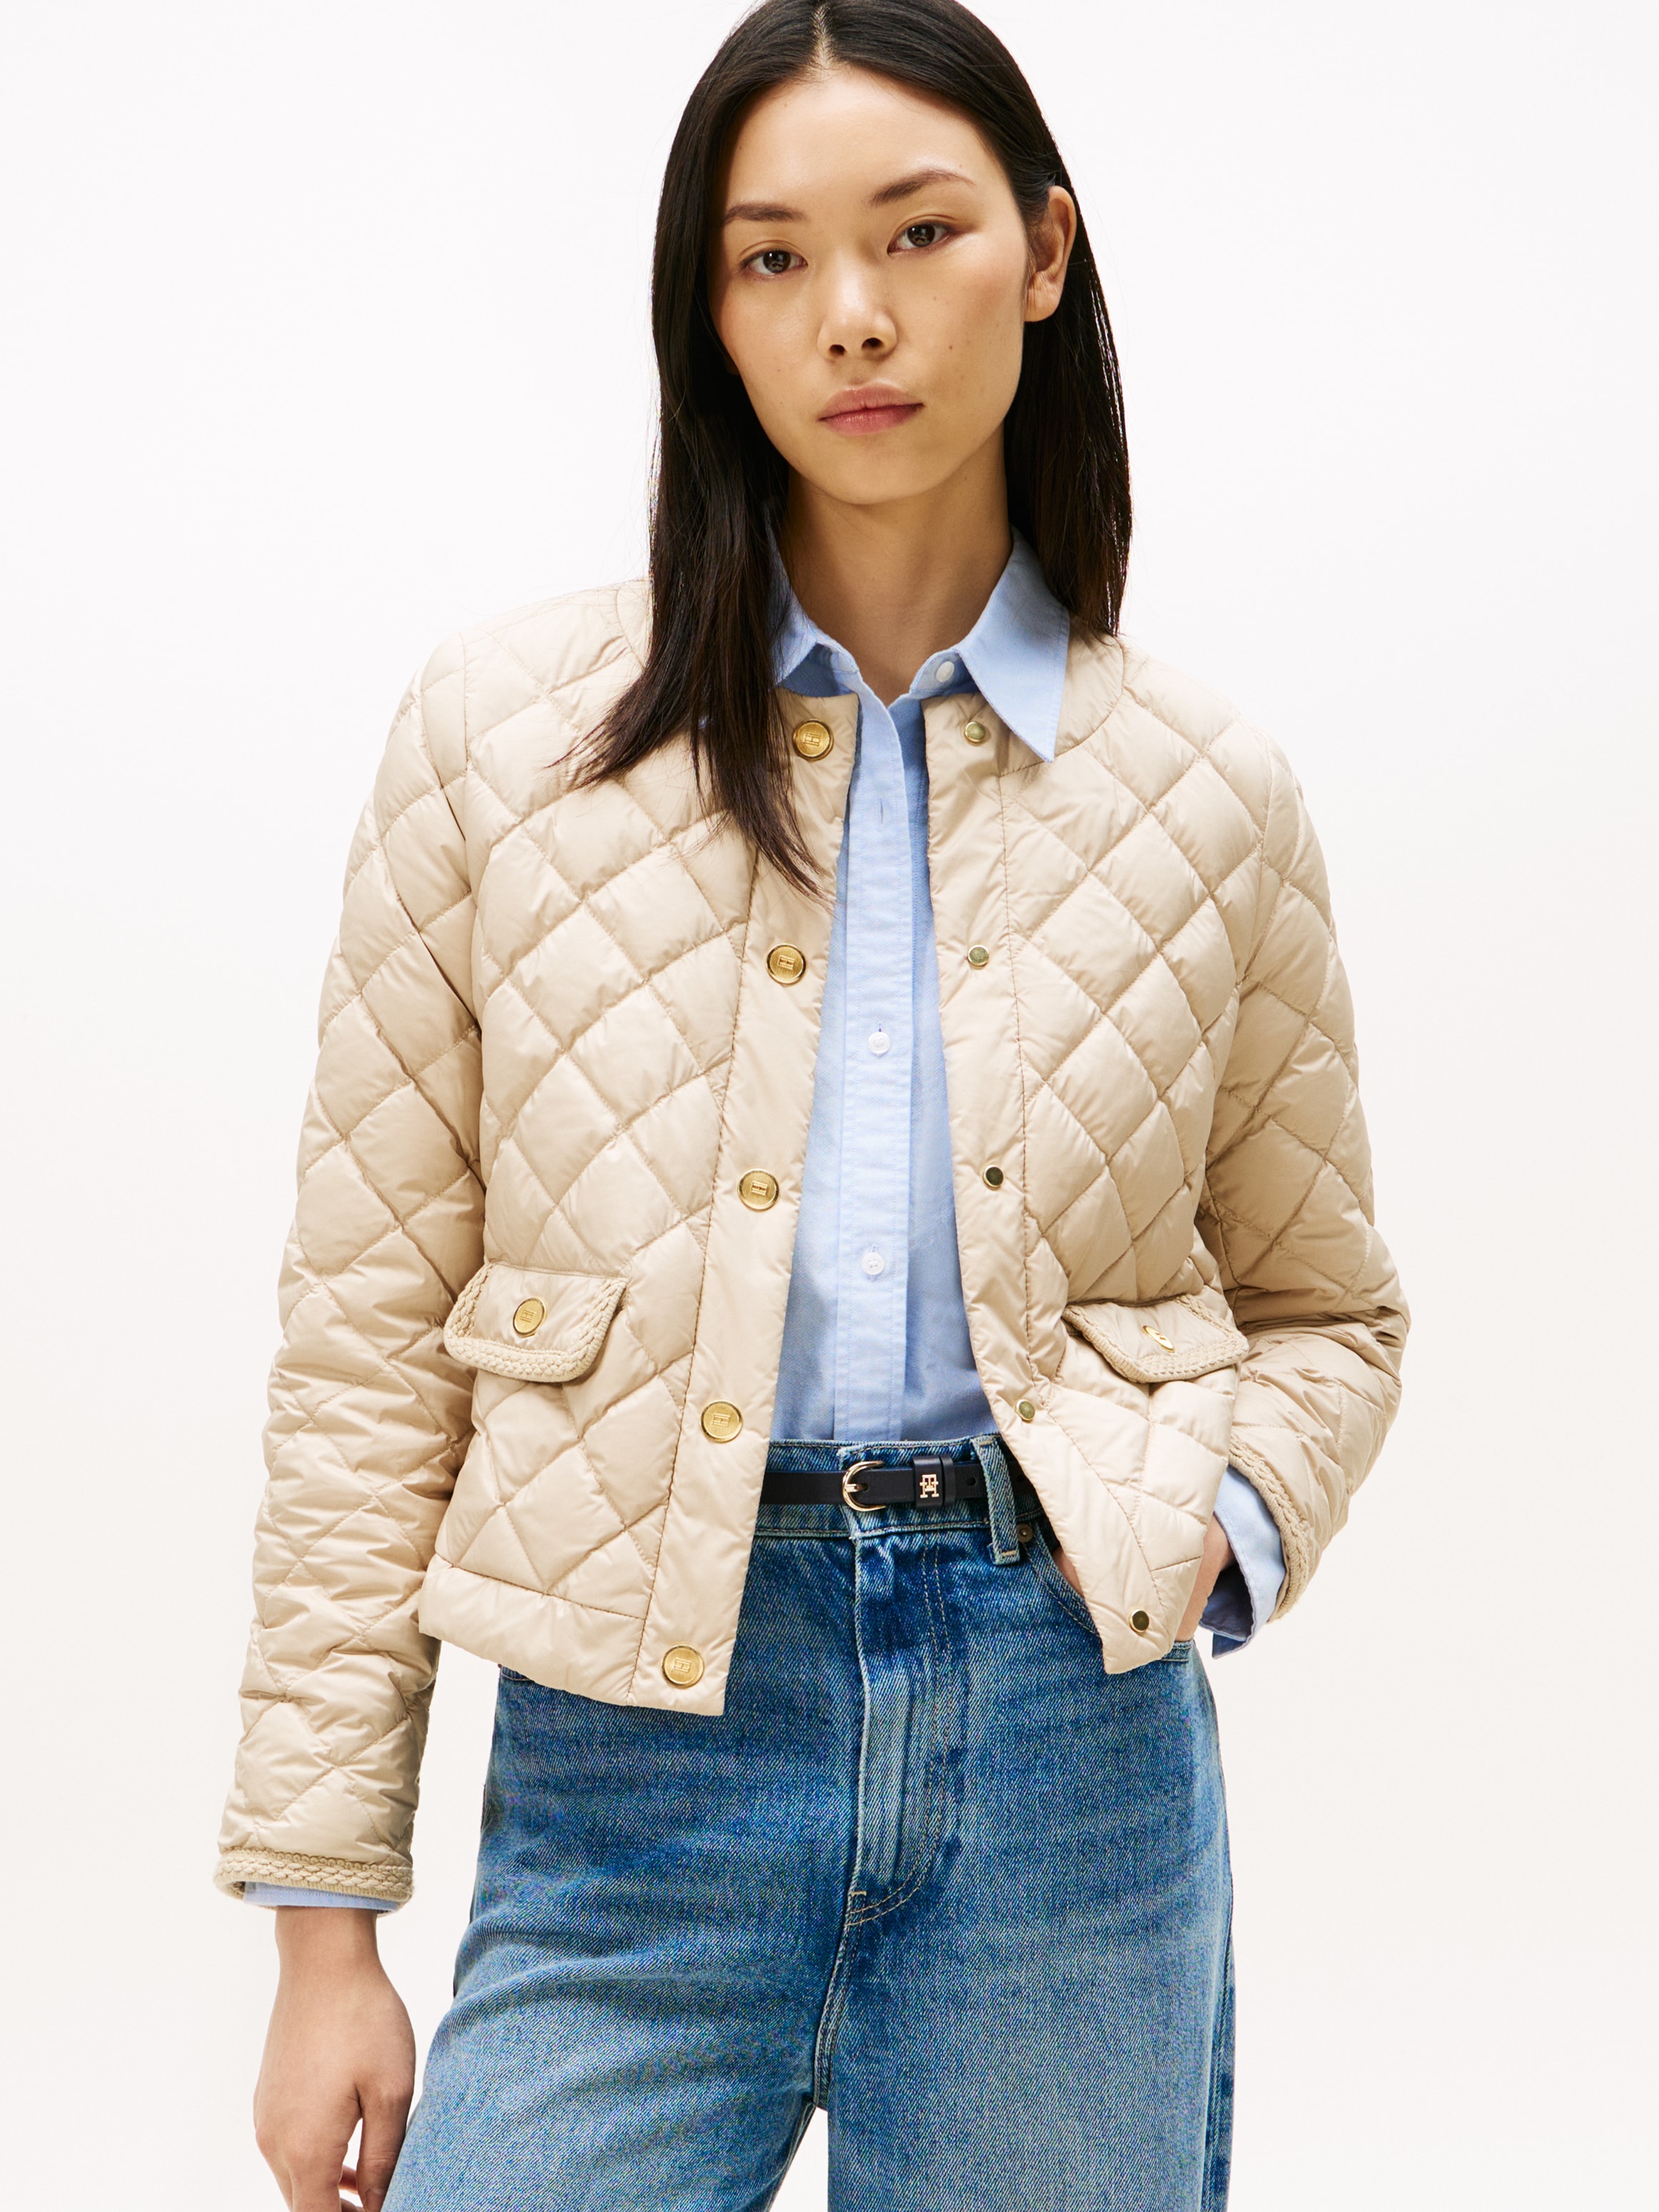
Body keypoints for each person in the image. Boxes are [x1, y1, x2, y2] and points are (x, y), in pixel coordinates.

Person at [223, 3, 1409, 2206]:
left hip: (1066, 1754)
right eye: (771, 257)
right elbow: (368, 1346)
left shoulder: (1207, 789)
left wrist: (1212, 1529)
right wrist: (324, 1923)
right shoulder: (498, 743)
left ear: (1044, 254)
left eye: (918, 231)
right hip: (635, 1758)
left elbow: (1328, 1307)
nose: (850, 313)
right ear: (710, 311)